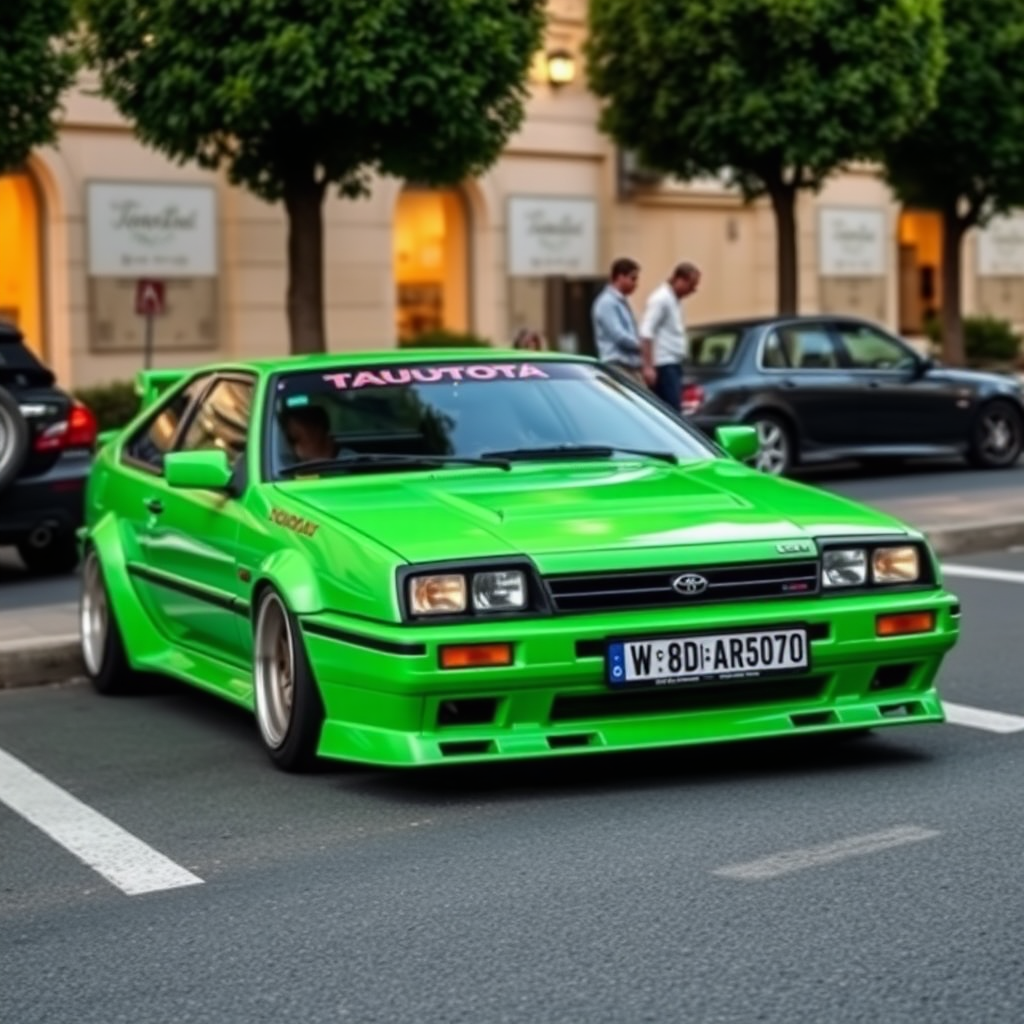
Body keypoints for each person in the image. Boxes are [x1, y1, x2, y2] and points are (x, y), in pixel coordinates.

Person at [639, 261, 701, 412]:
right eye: (691, 285)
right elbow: (646, 331)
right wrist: (648, 366)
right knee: (671, 410)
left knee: (673, 409)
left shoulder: (674, 300)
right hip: (664, 364)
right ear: (680, 280)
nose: (693, 290)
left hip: (673, 363)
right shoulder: (661, 299)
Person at [591, 257, 644, 384]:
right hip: (618, 365)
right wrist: (641, 346)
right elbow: (618, 335)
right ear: (620, 277)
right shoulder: (607, 302)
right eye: (633, 278)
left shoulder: (621, 302)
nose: (636, 284)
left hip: (630, 365)